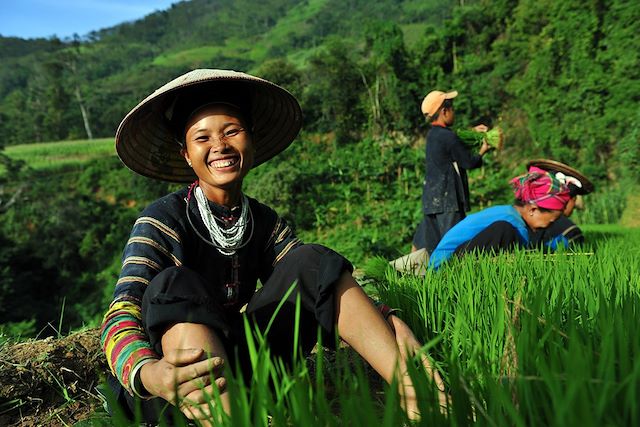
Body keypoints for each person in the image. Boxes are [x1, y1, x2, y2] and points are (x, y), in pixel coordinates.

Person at [100, 69, 445, 425]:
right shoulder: (162, 219)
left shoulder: (262, 221)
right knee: (173, 284)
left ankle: (422, 397)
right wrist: (149, 373)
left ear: (251, 139)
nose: (219, 145)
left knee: (312, 259)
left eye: (232, 131)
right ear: (187, 155)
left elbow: (320, 281)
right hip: (175, 386)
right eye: (202, 138)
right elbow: (120, 314)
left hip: (240, 368)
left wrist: (387, 318)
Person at [428, 167, 571, 270]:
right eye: (551, 220)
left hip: (447, 262)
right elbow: (525, 251)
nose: (549, 224)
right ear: (533, 210)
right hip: (444, 268)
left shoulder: (509, 212)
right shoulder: (512, 223)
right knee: (503, 231)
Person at [412, 89, 492, 255]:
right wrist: (483, 150)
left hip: (431, 199)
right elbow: (469, 162)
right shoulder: (448, 137)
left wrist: (471, 132)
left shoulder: (433, 135)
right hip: (448, 200)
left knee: (429, 245)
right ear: (444, 111)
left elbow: (451, 141)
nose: (453, 112)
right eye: (452, 109)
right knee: (454, 245)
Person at [526, 159, 594, 251]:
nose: (573, 208)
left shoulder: (523, 218)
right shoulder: (570, 232)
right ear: (568, 200)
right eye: (574, 202)